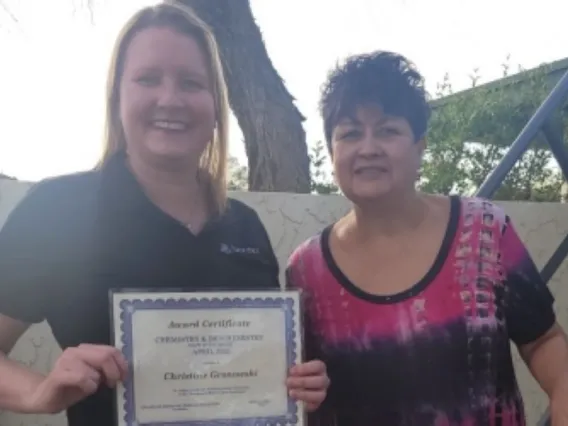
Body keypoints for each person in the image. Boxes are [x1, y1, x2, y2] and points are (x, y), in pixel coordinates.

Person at [0, 3, 328, 426]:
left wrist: (299, 384)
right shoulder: (57, 210)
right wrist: (39, 392)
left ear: (215, 106)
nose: (170, 99)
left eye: (191, 83)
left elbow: (259, 370)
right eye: (148, 79)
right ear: (117, 95)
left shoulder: (245, 224)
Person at [286, 51, 568, 425]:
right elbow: (291, 384)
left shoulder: (483, 233)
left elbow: (544, 342)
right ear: (332, 150)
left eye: (388, 130)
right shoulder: (306, 271)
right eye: (350, 133)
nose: (368, 148)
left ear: (420, 145)